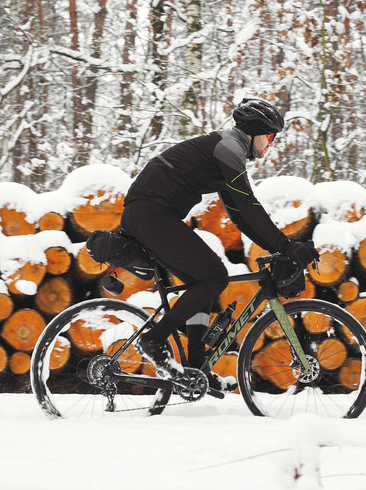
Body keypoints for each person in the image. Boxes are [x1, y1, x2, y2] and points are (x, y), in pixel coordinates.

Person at [119, 97, 319, 391]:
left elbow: (240, 217)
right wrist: (287, 246)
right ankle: (153, 340)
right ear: (253, 132)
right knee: (214, 277)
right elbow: (248, 203)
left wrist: (280, 247)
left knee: (203, 285)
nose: (271, 144)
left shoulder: (226, 149)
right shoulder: (229, 147)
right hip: (151, 213)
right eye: (271, 136)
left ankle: (196, 370)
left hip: (152, 213)